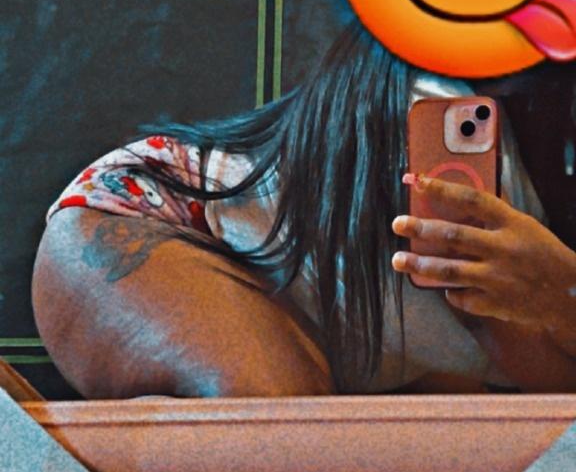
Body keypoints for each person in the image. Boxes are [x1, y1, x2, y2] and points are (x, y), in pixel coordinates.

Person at [32, 20, 576, 398]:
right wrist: (559, 291)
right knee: (279, 430)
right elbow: (515, 348)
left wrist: (559, 293)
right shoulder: (442, 109)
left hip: (299, 316)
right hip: (147, 218)